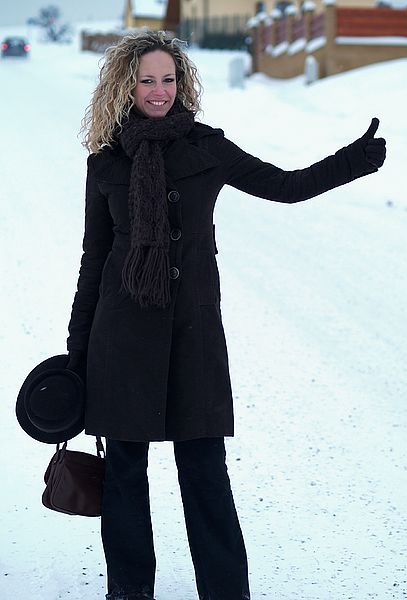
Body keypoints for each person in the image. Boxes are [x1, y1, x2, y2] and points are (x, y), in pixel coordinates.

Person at [65, 30, 386, 600]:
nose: (158, 91)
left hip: (191, 338)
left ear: (181, 82)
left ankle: (224, 591)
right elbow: (95, 260)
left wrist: (353, 161)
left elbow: (285, 187)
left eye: (168, 79)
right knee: (124, 480)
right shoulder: (106, 163)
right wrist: (77, 350)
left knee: (206, 475)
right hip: (122, 340)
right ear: (125, 85)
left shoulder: (206, 148)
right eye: (146, 81)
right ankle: (130, 590)